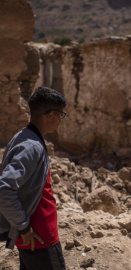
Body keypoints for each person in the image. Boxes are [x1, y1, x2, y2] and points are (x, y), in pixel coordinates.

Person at [0, 86, 67, 270]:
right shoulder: (31, 146)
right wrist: (23, 228)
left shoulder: (24, 137)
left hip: (33, 238)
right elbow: (4, 189)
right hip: (40, 238)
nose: (61, 120)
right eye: (61, 115)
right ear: (50, 115)